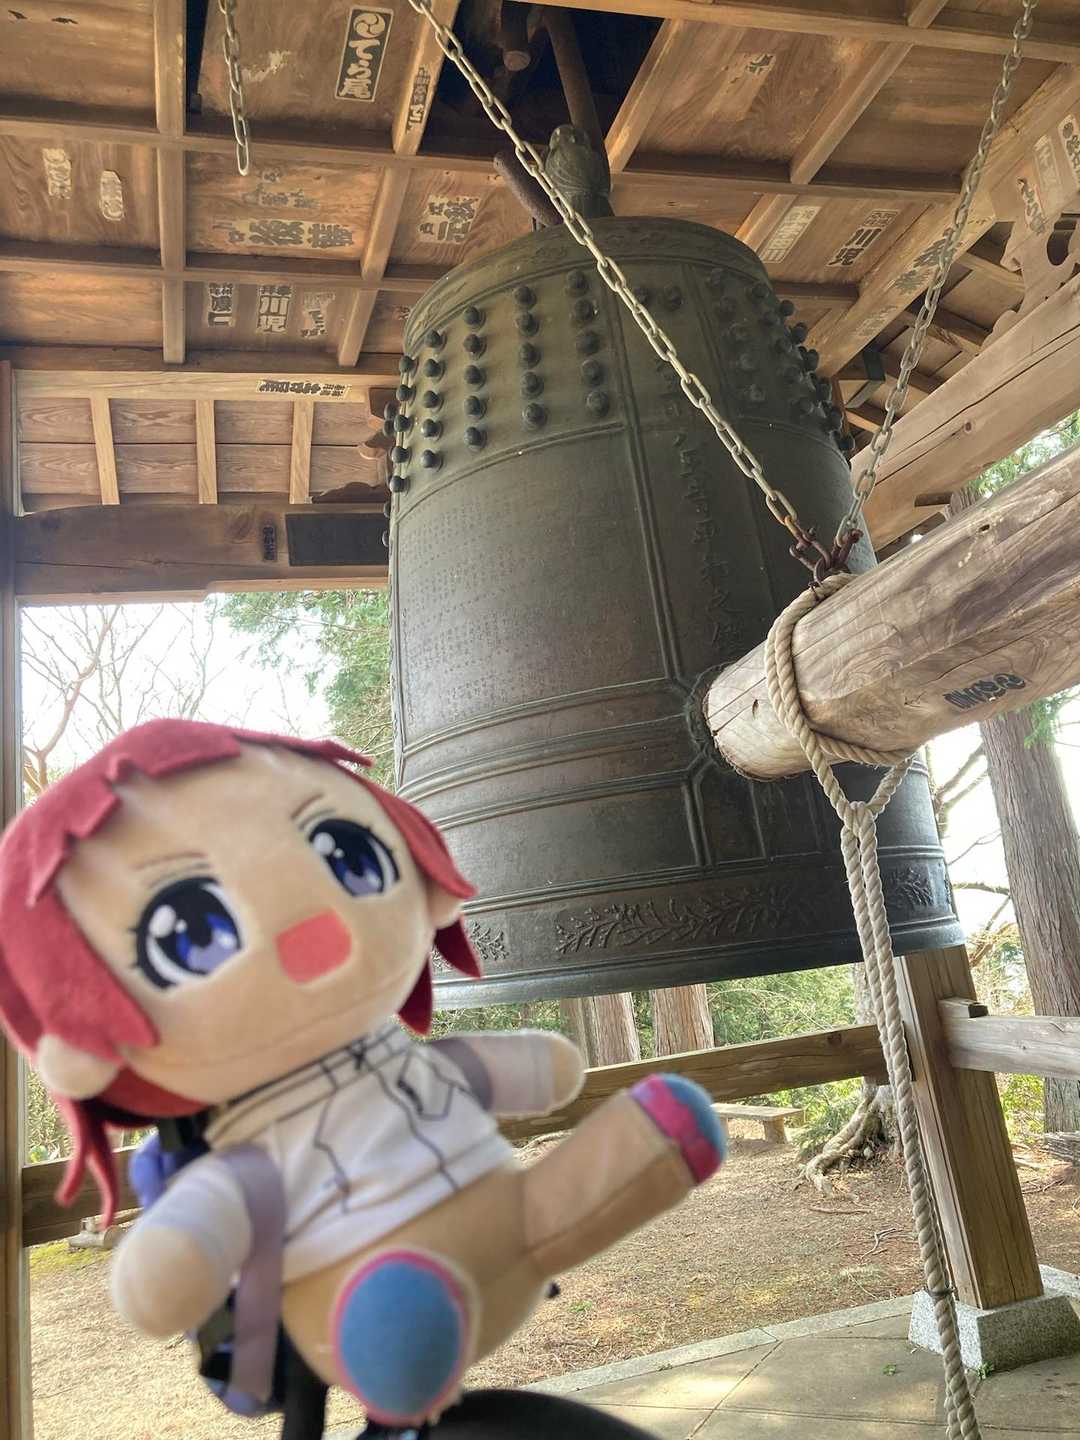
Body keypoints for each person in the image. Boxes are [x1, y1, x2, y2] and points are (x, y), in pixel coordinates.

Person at [0, 720, 725, 1429]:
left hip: (518, 1221)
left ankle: (650, 1149)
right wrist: (175, 1257)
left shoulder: (393, 1059)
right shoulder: (251, 1149)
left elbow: (494, 1071)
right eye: (194, 931)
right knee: (397, 1317)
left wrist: (533, 1067)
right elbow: (195, 1234)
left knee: (632, 1148)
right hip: (367, 1291)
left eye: (346, 855)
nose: (319, 931)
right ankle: (400, 1335)